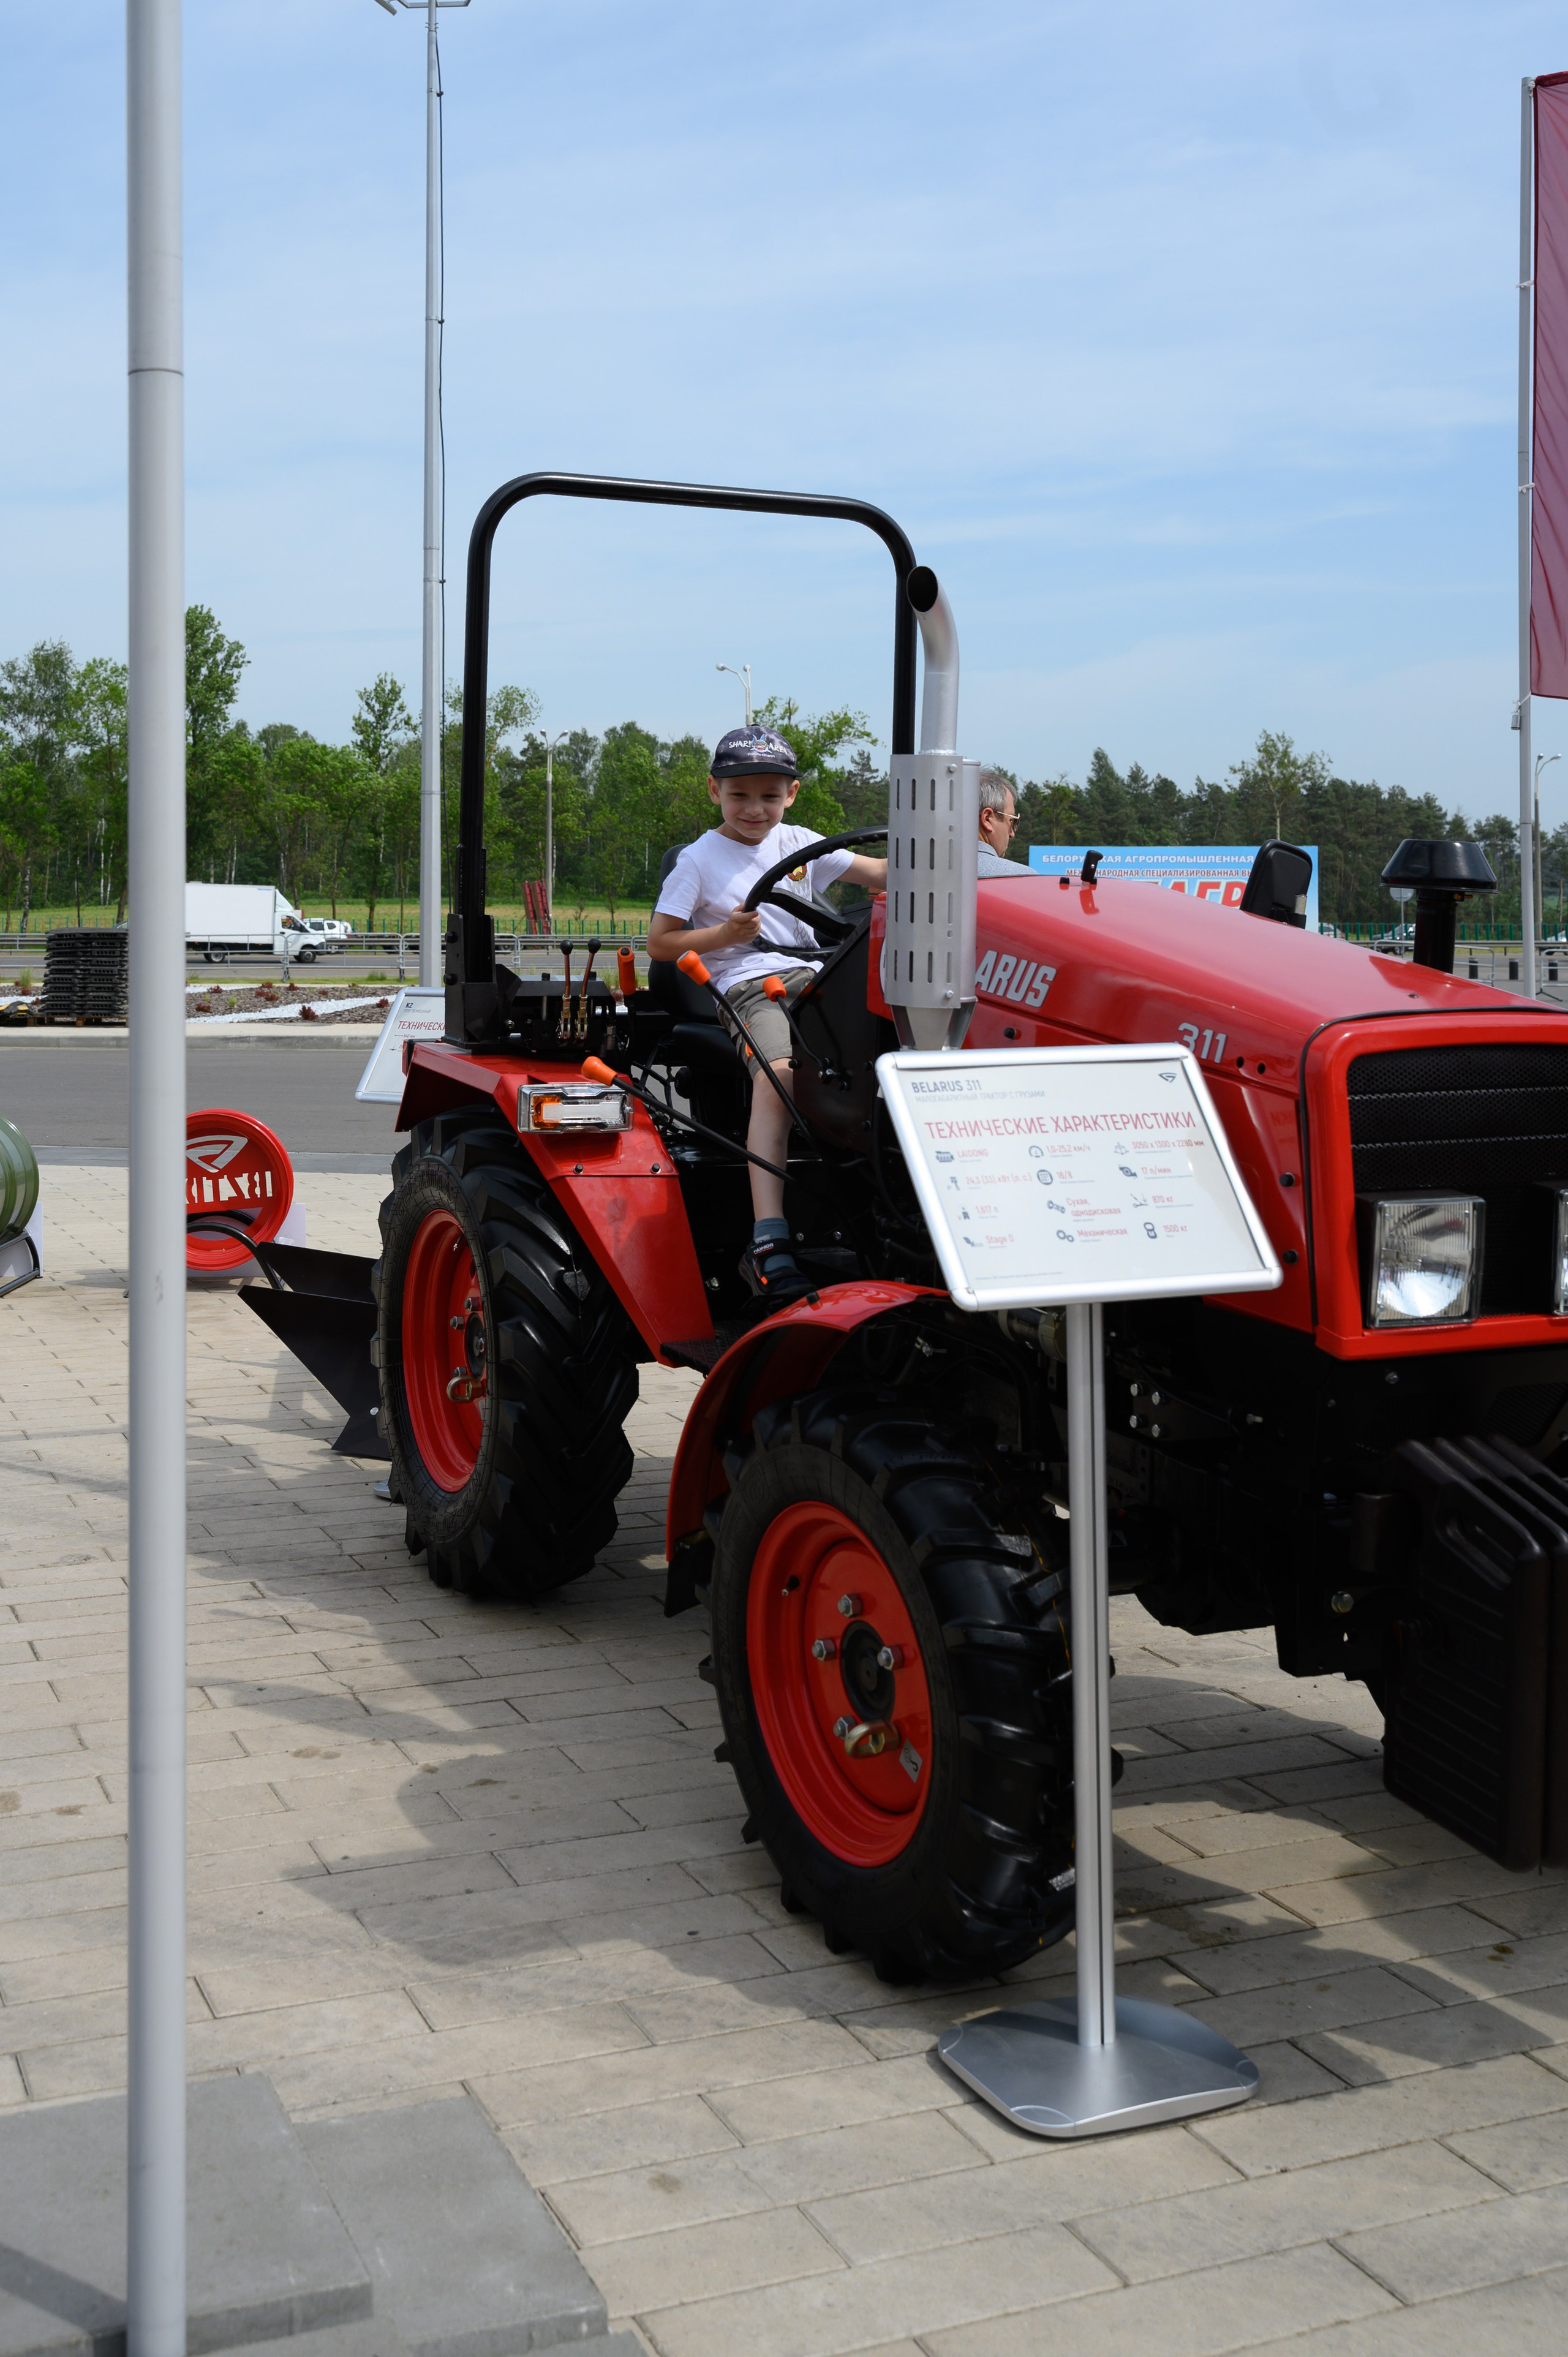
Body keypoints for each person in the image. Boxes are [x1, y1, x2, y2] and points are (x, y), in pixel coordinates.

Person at [649, 724, 887, 1304]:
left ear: (792, 795)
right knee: (780, 1073)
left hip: (819, 977)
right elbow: (660, 943)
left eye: (769, 796)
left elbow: (880, 875)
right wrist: (724, 933)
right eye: (740, 796)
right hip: (748, 983)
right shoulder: (700, 861)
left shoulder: (800, 844)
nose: (755, 810)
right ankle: (768, 1239)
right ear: (714, 792)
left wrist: (949, 855)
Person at [977, 770, 1028, 877]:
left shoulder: (934, 871)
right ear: (987, 819)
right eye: (1012, 821)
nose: (1012, 834)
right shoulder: (1023, 878)